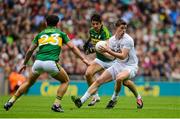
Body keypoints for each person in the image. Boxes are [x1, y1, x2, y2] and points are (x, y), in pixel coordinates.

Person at [4, 15, 89, 112]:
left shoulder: (40, 35)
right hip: (51, 63)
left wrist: (24, 63)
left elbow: (30, 50)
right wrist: (83, 59)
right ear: (58, 24)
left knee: (28, 82)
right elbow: (73, 47)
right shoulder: (61, 34)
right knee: (65, 81)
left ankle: (11, 101)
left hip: (38, 62)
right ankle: (56, 104)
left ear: (46, 23)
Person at [71, 19, 143, 109]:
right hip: (118, 64)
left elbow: (123, 56)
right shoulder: (112, 40)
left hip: (130, 66)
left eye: (125, 28)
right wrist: (103, 52)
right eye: (122, 28)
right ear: (116, 28)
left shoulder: (128, 40)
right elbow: (112, 58)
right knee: (99, 81)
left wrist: (108, 50)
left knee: (120, 78)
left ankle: (114, 99)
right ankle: (81, 101)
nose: (124, 30)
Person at [83, 13, 115, 106]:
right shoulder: (91, 31)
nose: (95, 26)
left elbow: (106, 47)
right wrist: (87, 46)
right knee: (88, 74)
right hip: (100, 60)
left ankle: (137, 97)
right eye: (93, 24)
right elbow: (92, 41)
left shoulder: (105, 32)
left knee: (124, 81)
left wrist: (93, 49)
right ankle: (95, 96)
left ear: (101, 23)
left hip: (112, 61)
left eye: (97, 24)